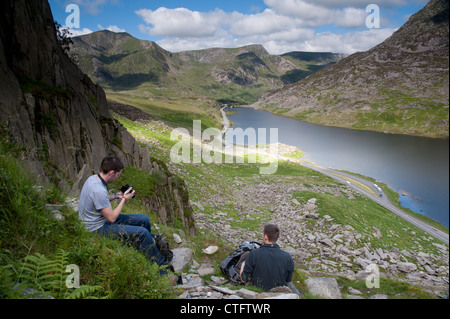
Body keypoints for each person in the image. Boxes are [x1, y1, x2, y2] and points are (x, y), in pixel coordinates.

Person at [78, 155, 169, 275]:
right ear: (111, 172)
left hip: (99, 219)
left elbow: (100, 202)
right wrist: (124, 199)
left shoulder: (94, 179)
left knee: (144, 219)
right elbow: (111, 218)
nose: (117, 177)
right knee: (143, 233)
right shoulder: (98, 189)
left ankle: (147, 252)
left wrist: (116, 195)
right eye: (118, 174)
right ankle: (162, 273)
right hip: (96, 228)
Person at [240, 224, 302, 296]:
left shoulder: (254, 254)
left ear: (265, 237)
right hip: (280, 295)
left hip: (259, 293)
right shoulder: (287, 257)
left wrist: (243, 264)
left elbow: (244, 279)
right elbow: (289, 282)